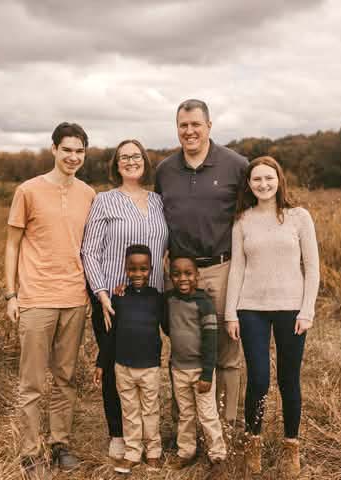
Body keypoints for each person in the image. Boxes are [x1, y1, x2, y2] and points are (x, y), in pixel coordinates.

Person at [4, 122, 96, 476]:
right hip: (36, 298)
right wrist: (11, 294)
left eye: (80, 151)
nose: (73, 157)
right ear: (54, 149)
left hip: (74, 297)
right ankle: (30, 451)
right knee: (32, 381)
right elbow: (12, 244)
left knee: (66, 376)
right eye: (67, 149)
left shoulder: (89, 194)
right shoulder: (27, 191)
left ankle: (60, 443)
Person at [224, 156, 320, 479]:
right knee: (259, 379)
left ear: (279, 179)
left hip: (291, 309)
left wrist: (307, 309)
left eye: (268, 178)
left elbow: (313, 267)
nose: (263, 185)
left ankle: (291, 446)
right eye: (256, 180)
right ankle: (254, 443)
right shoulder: (243, 220)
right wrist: (230, 313)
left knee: (289, 380)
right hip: (251, 309)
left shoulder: (298, 217)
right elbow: (236, 269)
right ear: (249, 185)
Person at [154, 99, 247, 427]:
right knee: (183, 350)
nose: (189, 131)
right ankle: (187, 429)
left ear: (209, 126)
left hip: (221, 268)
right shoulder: (165, 170)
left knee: (227, 351)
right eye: (183, 125)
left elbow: (251, 215)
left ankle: (227, 427)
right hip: (180, 274)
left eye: (196, 124)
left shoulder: (236, 165)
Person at [81, 139, 168, 459]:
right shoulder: (104, 201)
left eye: (136, 156)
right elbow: (89, 250)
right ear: (116, 165)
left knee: (146, 364)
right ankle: (118, 433)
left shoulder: (159, 201)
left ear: (145, 161)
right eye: (124, 158)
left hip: (150, 301)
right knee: (115, 362)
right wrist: (101, 294)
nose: (131, 161)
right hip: (114, 301)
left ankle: (150, 434)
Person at [94, 244, 165, 474]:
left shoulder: (157, 299)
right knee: (130, 411)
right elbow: (110, 335)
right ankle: (133, 452)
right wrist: (101, 363)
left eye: (143, 269)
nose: (137, 274)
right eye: (132, 269)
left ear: (151, 269)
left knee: (150, 410)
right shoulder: (119, 298)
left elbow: (170, 326)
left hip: (149, 367)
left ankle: (154, 451)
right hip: (123, 366)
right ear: (125, 269)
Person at [164, 256, 228, 480]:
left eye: (188, 274)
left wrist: (207, 373)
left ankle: (217, 455)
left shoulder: (204, 304)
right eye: (177, 274)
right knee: (185, 414)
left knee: (208, 415)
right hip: (178, 369)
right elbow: (166, 324)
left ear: (197, 276)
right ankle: (186, 451)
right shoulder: (169, 300)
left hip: (201, 371)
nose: (182, 278)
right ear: (171, 277)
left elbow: (211, 342)